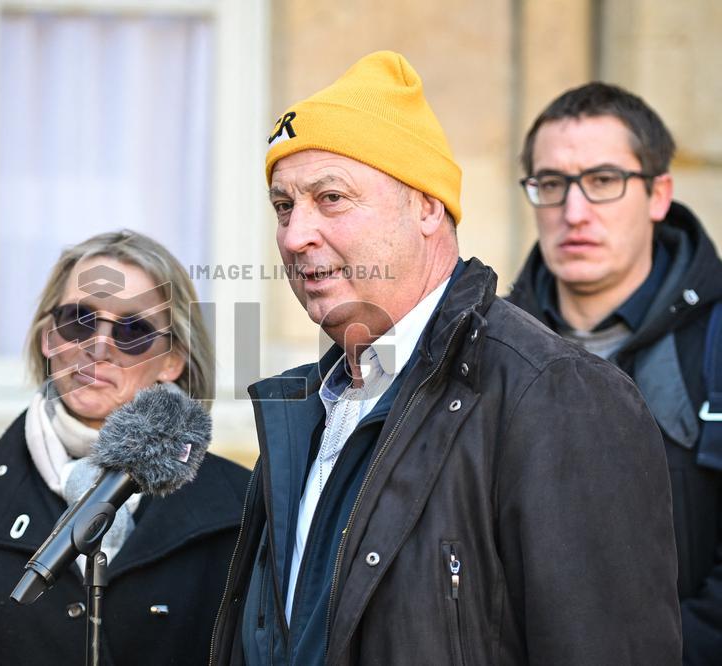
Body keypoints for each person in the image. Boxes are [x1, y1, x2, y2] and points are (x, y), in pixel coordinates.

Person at [209, 51, 681, 665]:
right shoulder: (307, 408)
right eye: (283, 206)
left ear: (428, 207)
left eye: (330, 198)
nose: (296, 235)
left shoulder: (556, 393)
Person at [0, 230, 250, 665]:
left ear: (172, 361)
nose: (98, 347)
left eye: (134, 330)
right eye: (78, 320)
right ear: (49, 338)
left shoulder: (242, 503)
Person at [507, 82, 722, 664]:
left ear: (658, 194)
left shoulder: (716, 344)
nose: (573, 212)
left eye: (604, 181)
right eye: (551, 184)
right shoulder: (484, 348)